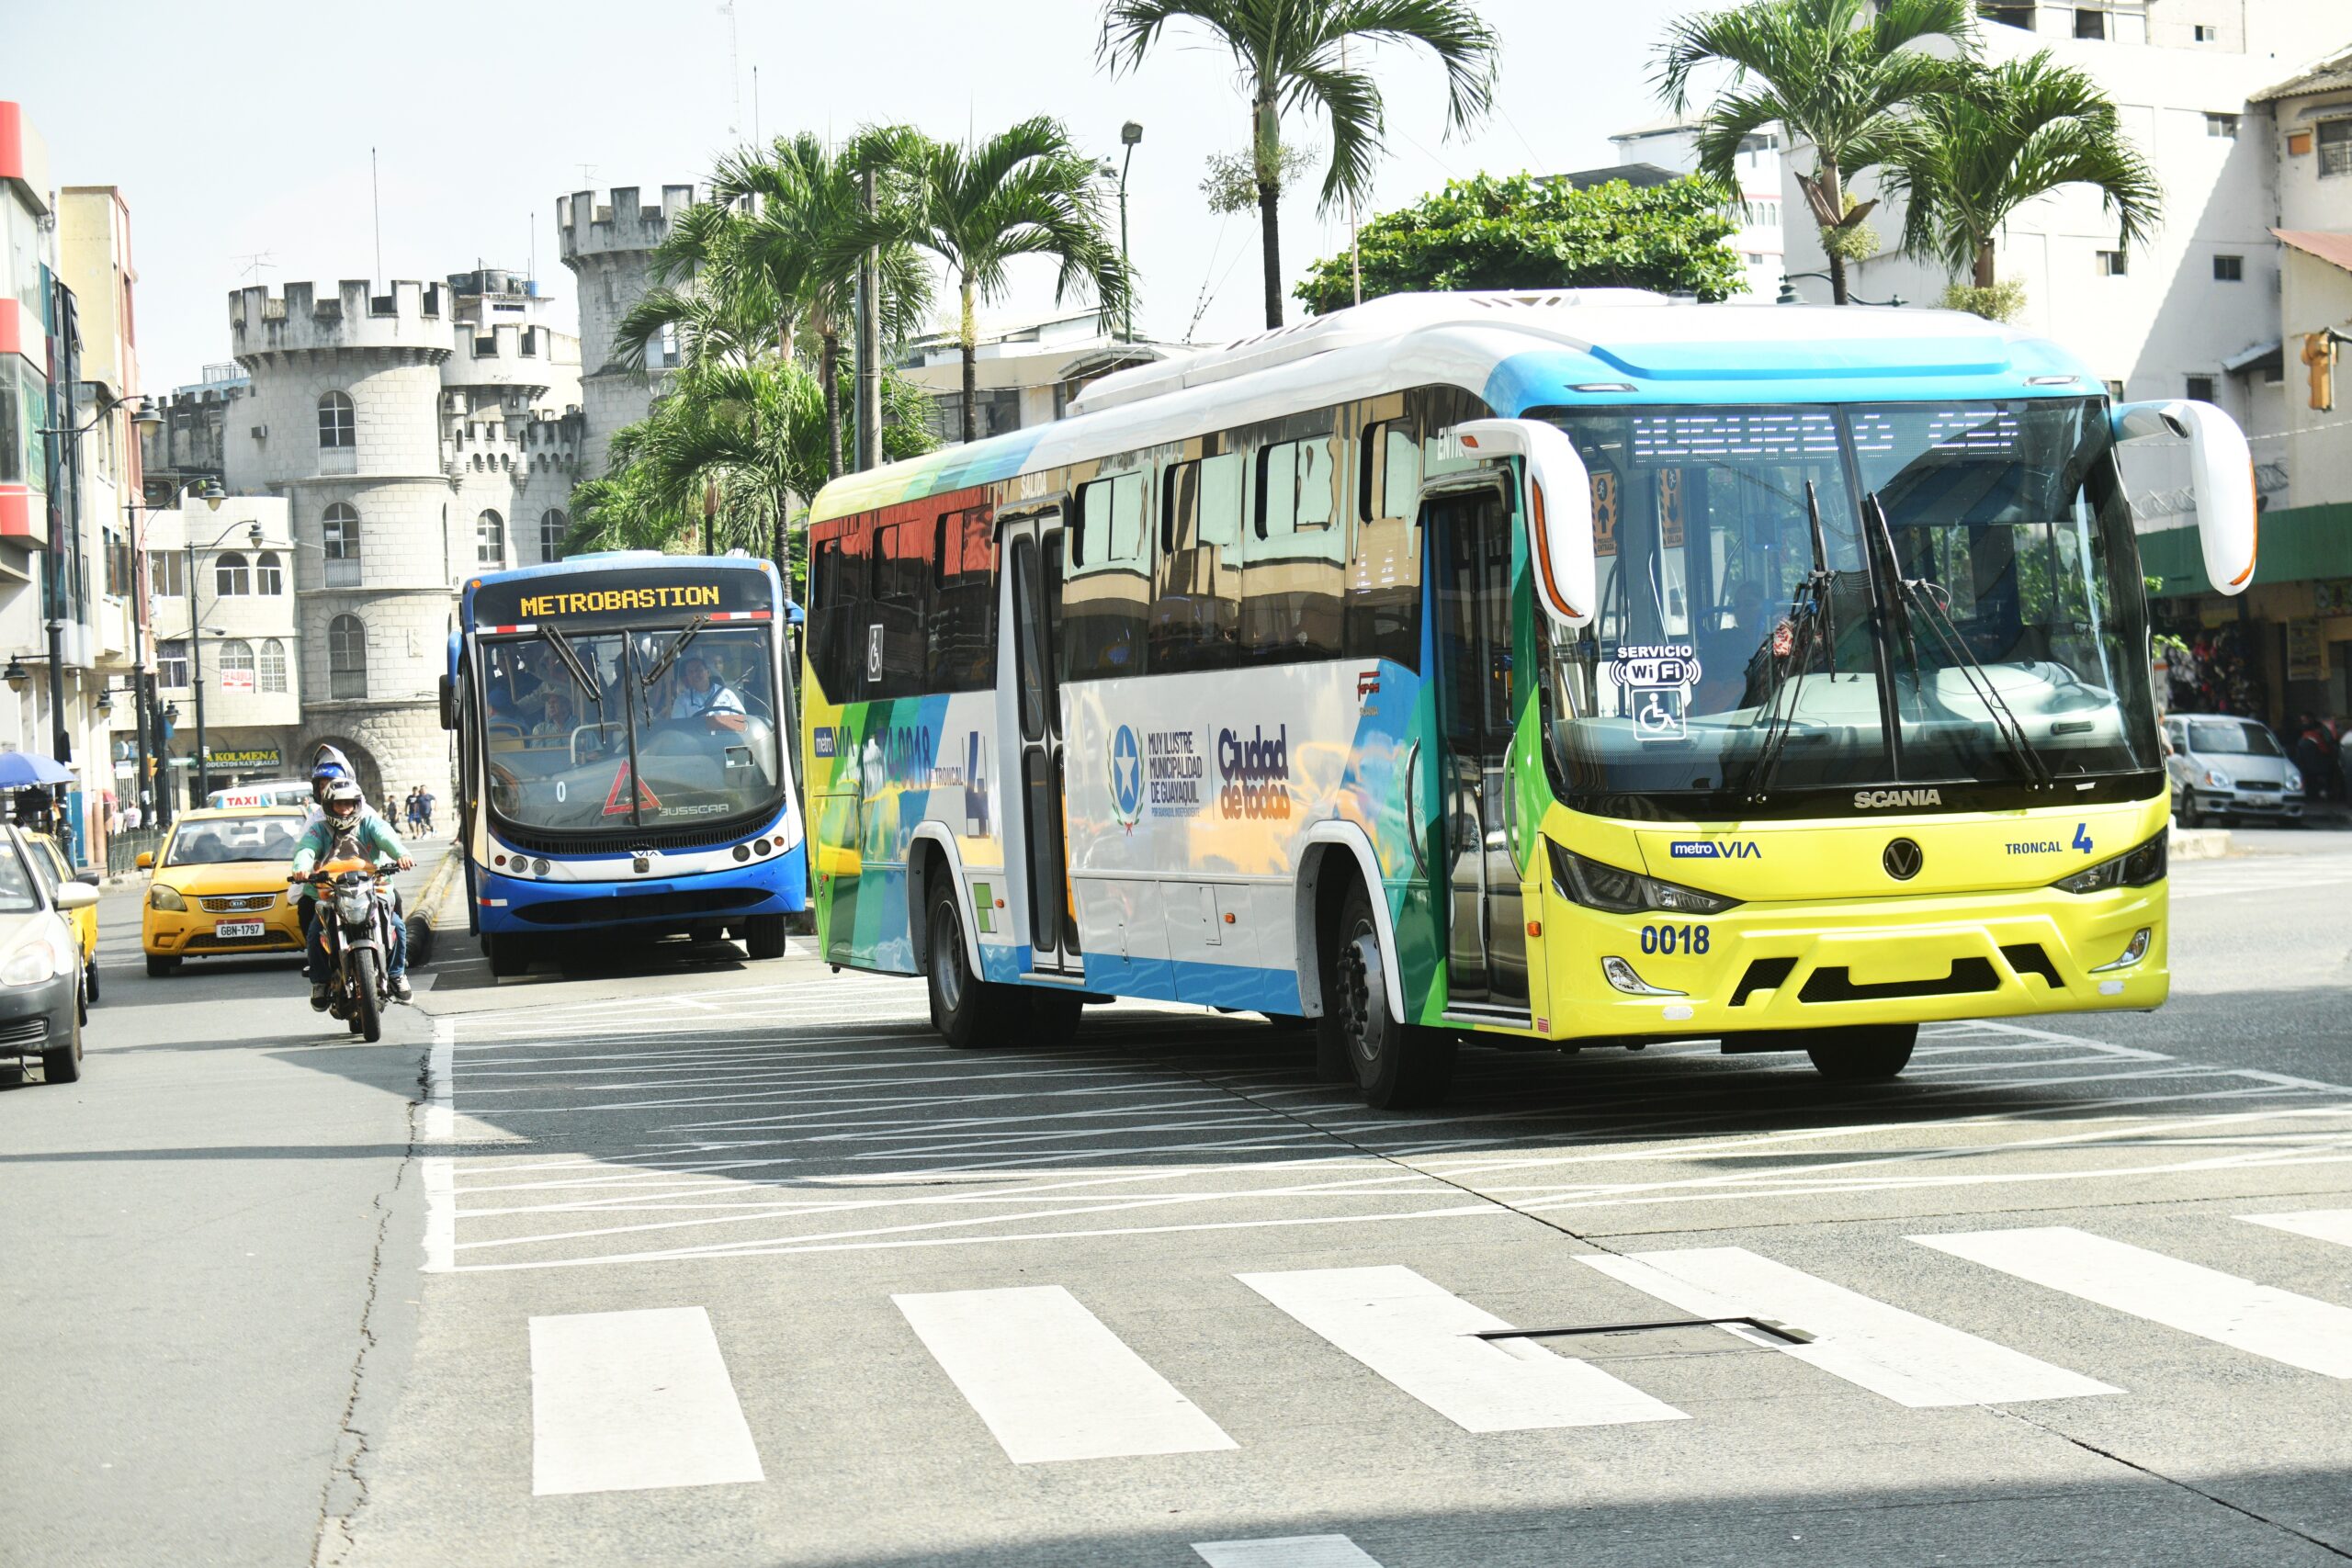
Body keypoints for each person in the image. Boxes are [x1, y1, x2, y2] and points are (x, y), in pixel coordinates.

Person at [290, 779, 413, 1008]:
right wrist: (301, 868)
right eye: (339, 804)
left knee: (397, 926)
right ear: (328, 805)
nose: (344, 809)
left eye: (349, 803)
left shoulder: (369, 823)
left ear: (357, 804)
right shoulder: (319, 829)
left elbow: (387, 837)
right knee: (315, 933)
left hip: (374, 888)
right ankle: (320, 981)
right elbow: (306, 848)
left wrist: (401, 855)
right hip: (331, 893)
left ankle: (397, 975)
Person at [668, 656, 746, 731]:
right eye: (690, 672)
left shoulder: (727, 694)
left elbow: (742, 723)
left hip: (726, 741)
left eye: (698, 670)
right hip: (694, 743)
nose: (694, 675)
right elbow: (678, 728)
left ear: (708, 672)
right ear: (687, 677)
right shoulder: (681, 700)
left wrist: (711, 723)